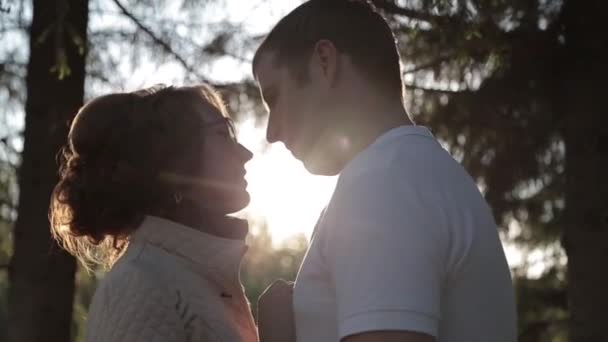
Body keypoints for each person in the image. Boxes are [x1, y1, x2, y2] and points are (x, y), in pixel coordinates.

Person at [253, 1, 517, 342]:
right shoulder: (412, 173)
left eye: (273, 97)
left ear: (324, 62)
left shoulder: (383, 183)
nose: (271, 133)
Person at [49, 84, 258, 342]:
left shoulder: (193, 278)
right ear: (176, 165)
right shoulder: (140, 286)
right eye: (222, 134)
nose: (245, 154)